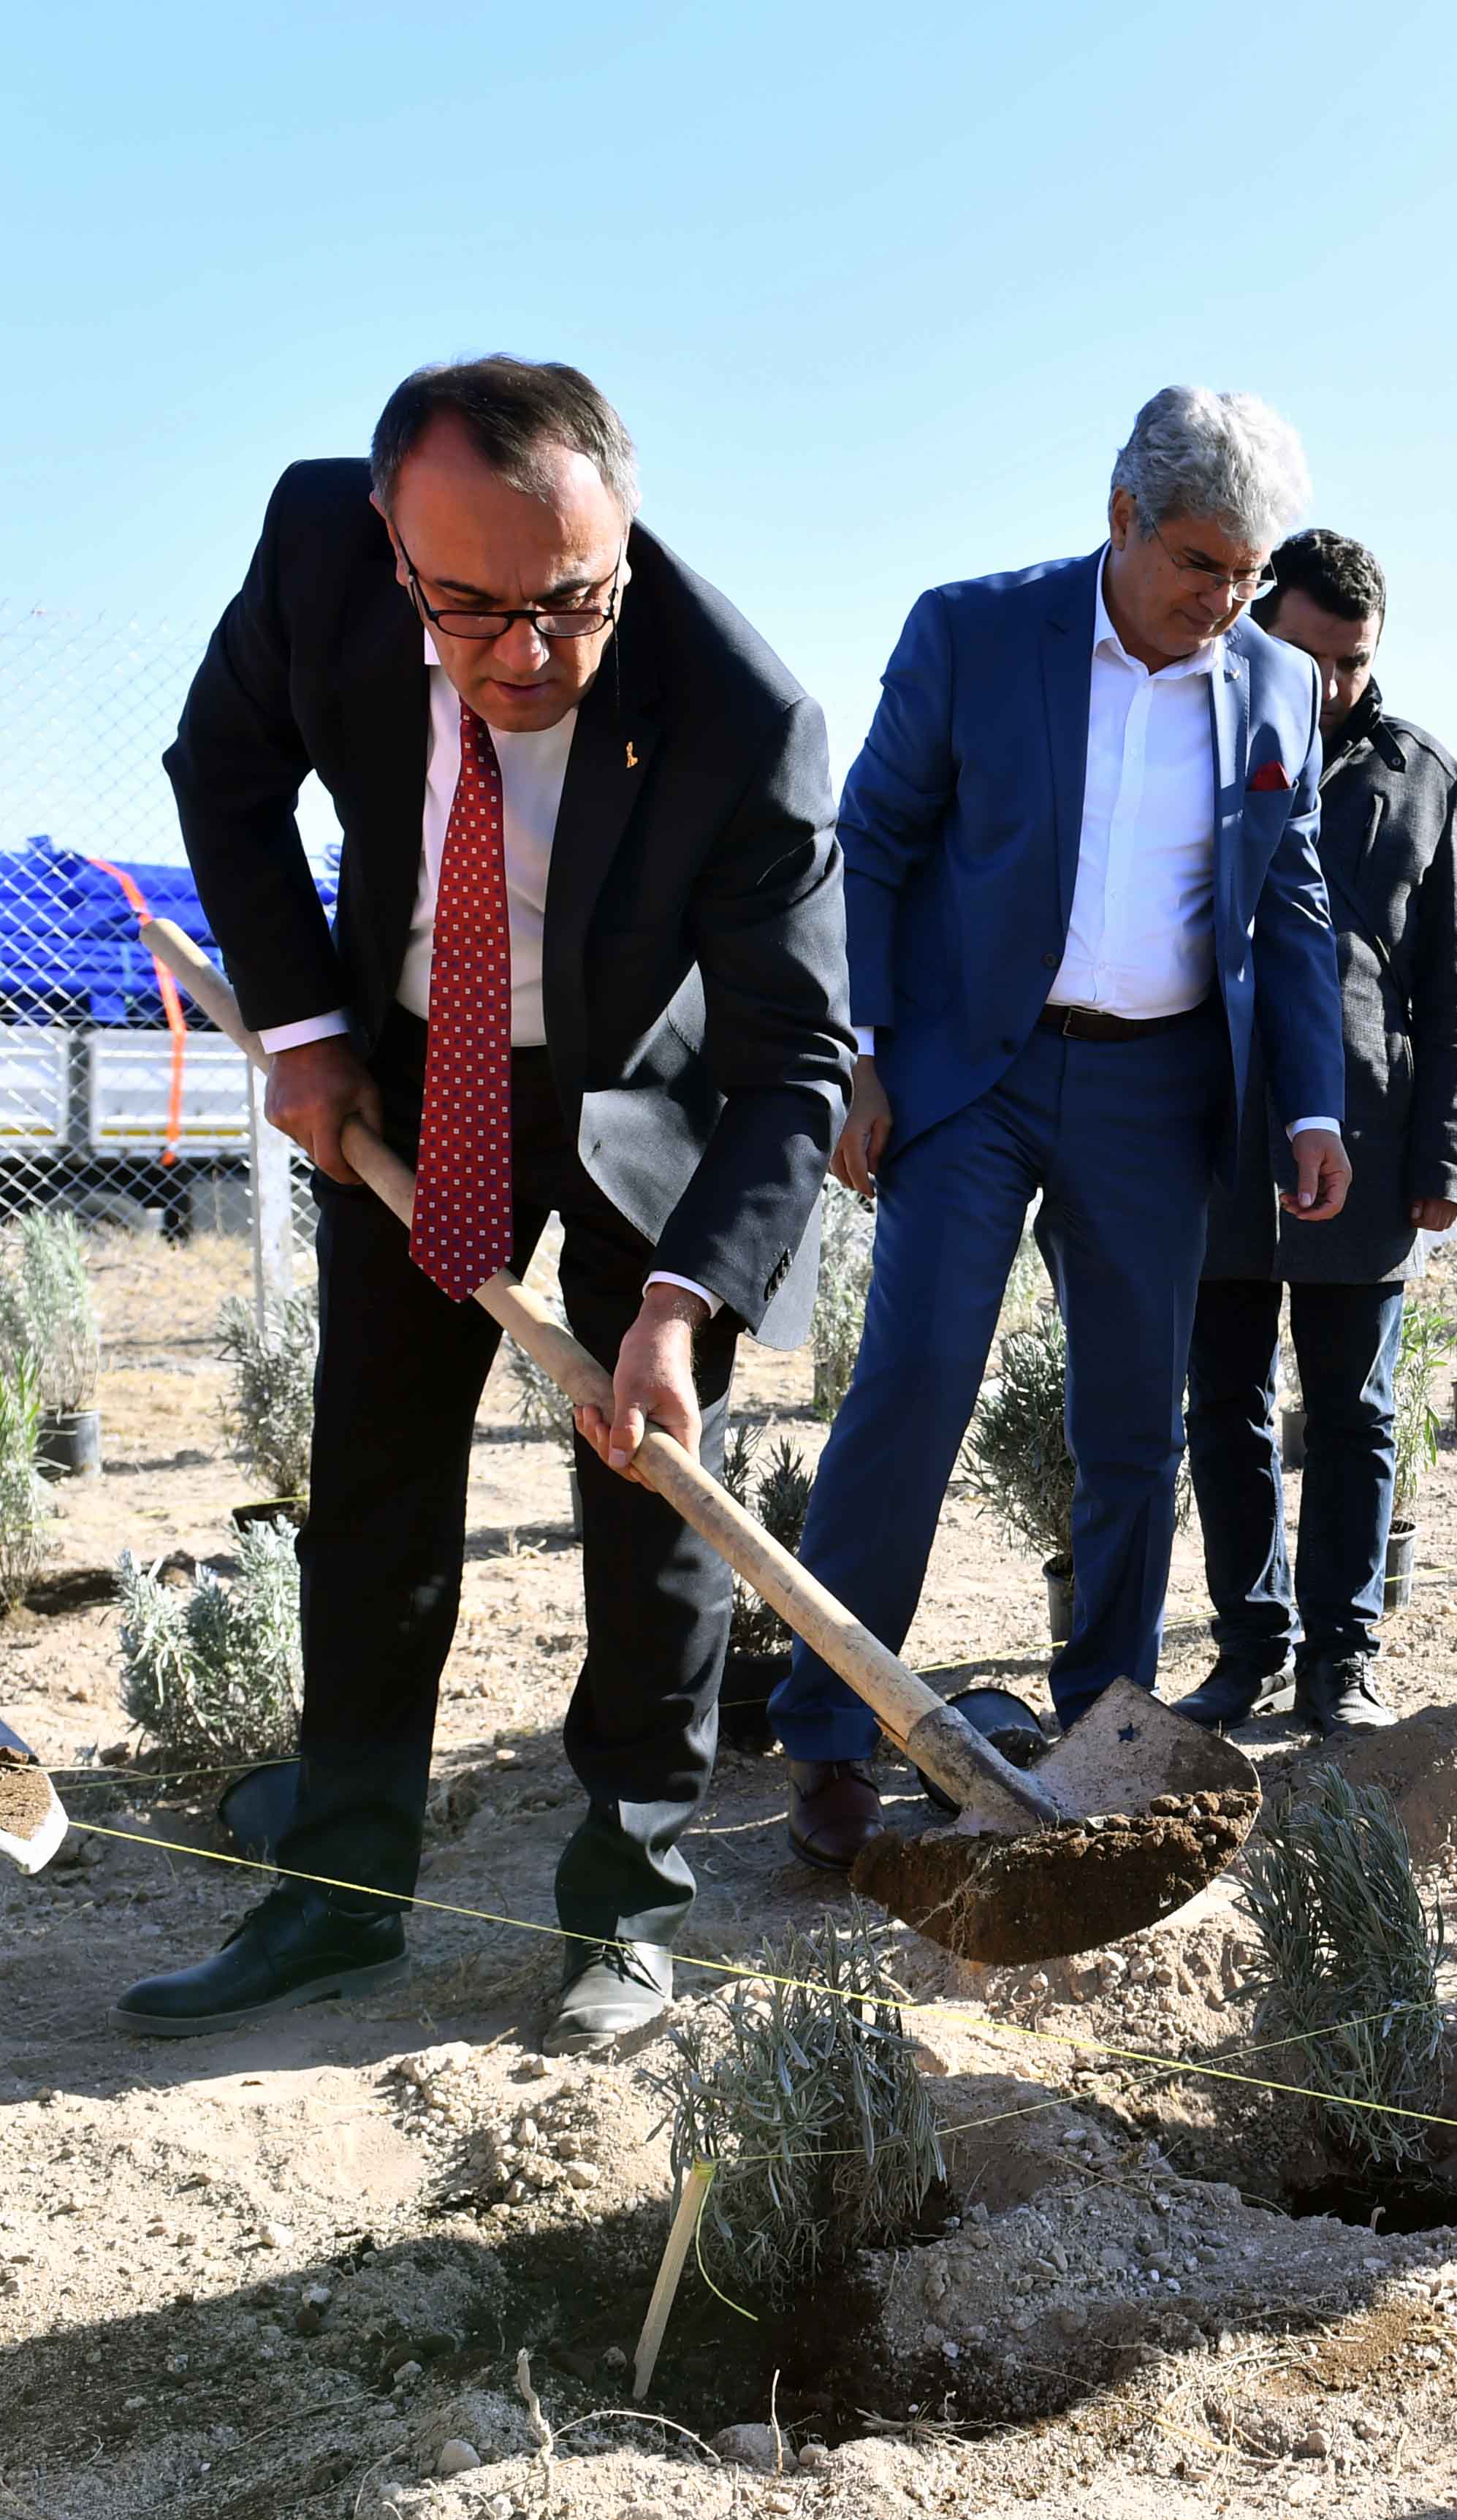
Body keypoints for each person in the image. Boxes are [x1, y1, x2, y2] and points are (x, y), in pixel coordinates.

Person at [127, 357, 851, 2052]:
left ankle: (630, 1904)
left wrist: (682, 1304)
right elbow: (223, 761)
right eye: (470, 610)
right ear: (392, 543)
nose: (528, 659)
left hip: (640, 1090)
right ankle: (340, 1892)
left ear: (626, 531)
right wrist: (303, 1030)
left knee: (653, 1495)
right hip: (407, 1066)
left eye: (571, 606)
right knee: (372, 1474)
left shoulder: (747, 716)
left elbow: (798, 1063)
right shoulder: (316, 542)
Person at [768, 390, 1345, 1865]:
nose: (1220, 601)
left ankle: (1103, 1728)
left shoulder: (1278, 686)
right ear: (1121, 518)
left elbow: (1290, 904)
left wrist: (1313, 1098)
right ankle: (835, 1732)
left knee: (1133, 1429)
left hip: (1159, 1097)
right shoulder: (974, 634)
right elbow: (874, 840)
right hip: (973, 1076)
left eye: (1244, 572)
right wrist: (864, 1052)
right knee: (910, 1386)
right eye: (1198, 564)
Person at [1174, 529, 1457, 1739]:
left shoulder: (1428, 775)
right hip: (1216, 1133)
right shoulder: (1193, 744)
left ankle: (1341, 1659)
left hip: (1367, 1146)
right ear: (1256, 631)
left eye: (1350, 663)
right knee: (1223, 1403)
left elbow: (1450, 983)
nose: (1327, 688)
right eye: (1303, 658)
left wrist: (1442, 1157)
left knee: (1354, 1408)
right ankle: (1248, 1648)